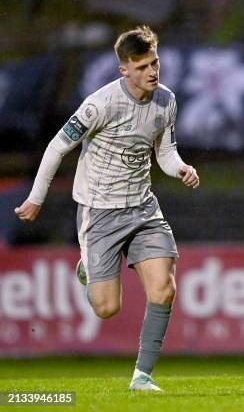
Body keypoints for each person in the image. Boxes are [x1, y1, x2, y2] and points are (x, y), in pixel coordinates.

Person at [15, 25, 199, 392]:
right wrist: (36, 197)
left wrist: (180, 168)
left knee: (163, 287)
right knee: (106, 308)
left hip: (144, 208)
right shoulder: (100, 104)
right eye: (144, 65)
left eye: (155, 62)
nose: (153, 71)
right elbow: (56, 148)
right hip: (100, 212)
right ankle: (88, 266)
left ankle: (142, 377)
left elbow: (163, 152)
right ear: (124, 70)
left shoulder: (166, 100)